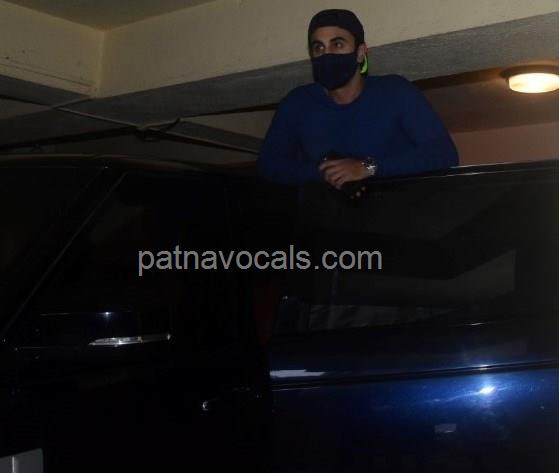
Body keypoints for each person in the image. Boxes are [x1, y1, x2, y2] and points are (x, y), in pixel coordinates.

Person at [257, 9, 458, 189]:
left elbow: (443, 153)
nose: (327, 54)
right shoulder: (297, 104)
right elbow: (269, 165)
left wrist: (367, 167)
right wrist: (329, 171)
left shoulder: (394, 91)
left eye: (337, 44)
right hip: (328, 217)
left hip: (398, 214)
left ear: (360, 53)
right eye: (319, 48)